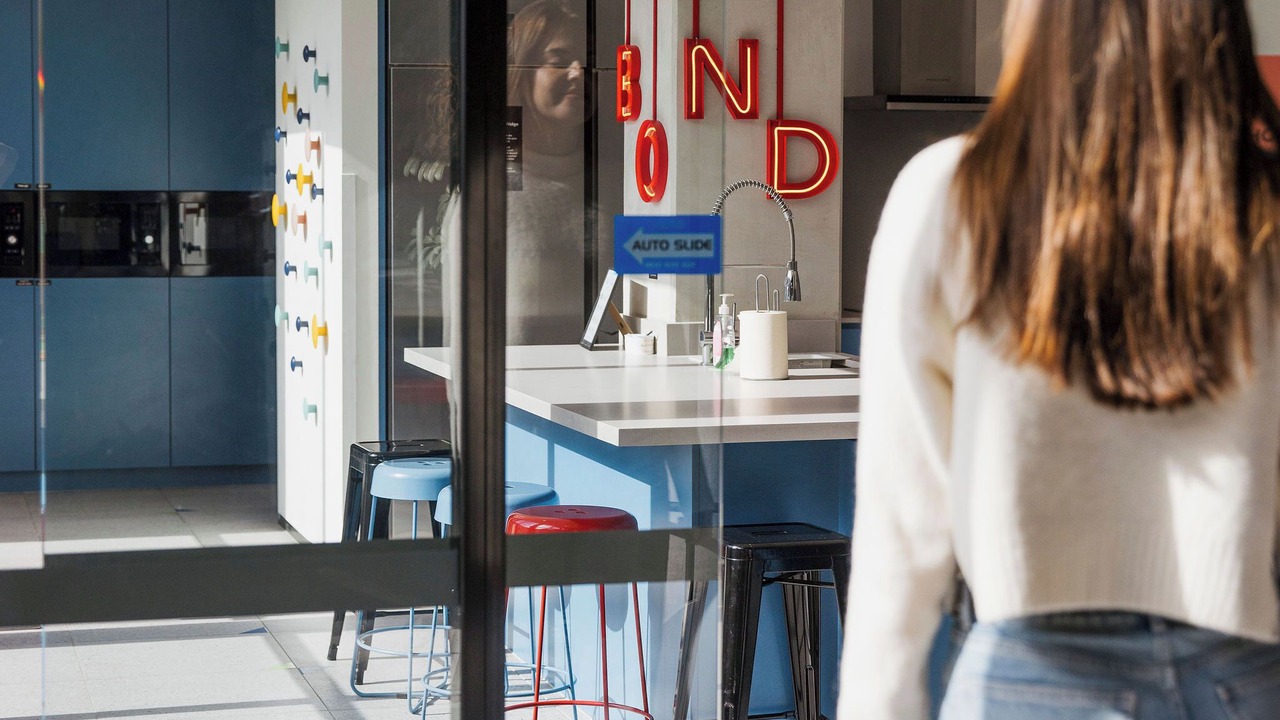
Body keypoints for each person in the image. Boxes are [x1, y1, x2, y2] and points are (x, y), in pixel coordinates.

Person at [837, 1, 1280, 718]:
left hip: (1032, 678)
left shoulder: (952, 194)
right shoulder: (1259, 204)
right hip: (1245, 675)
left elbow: (902, 527)